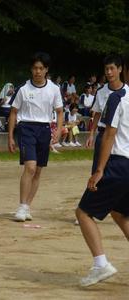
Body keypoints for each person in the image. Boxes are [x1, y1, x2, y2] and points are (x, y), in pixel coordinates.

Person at [76, 84, 129, 286]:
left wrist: (99, 170)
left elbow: (109, 134)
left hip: (118, 164)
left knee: (83, 213)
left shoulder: (118, 97)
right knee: (120, 214)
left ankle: (100, 264)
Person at [8, 52, 63, 222]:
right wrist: (10, 136)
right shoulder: (23, 89)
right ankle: (22, 206)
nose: (37, 71)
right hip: (27, 128)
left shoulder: (54, 89)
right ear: (31, 70)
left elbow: (59, 112)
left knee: (38, 170)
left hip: (44, 129)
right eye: (35, 68)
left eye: (41, 68)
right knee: (30, 167)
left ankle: (27, 206)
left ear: (46, 70)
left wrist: (58, 130)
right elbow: (13, 113)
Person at [85, 54, 127, 174]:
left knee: (117, 172)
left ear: (120, 69)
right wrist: (92, 134)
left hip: (121, 136)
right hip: (103, 135)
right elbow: (97, 113)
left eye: (112, 68)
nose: (109, 72)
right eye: (106, 69)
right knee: (97, 171)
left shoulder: (127, 93)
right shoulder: (101, 92)